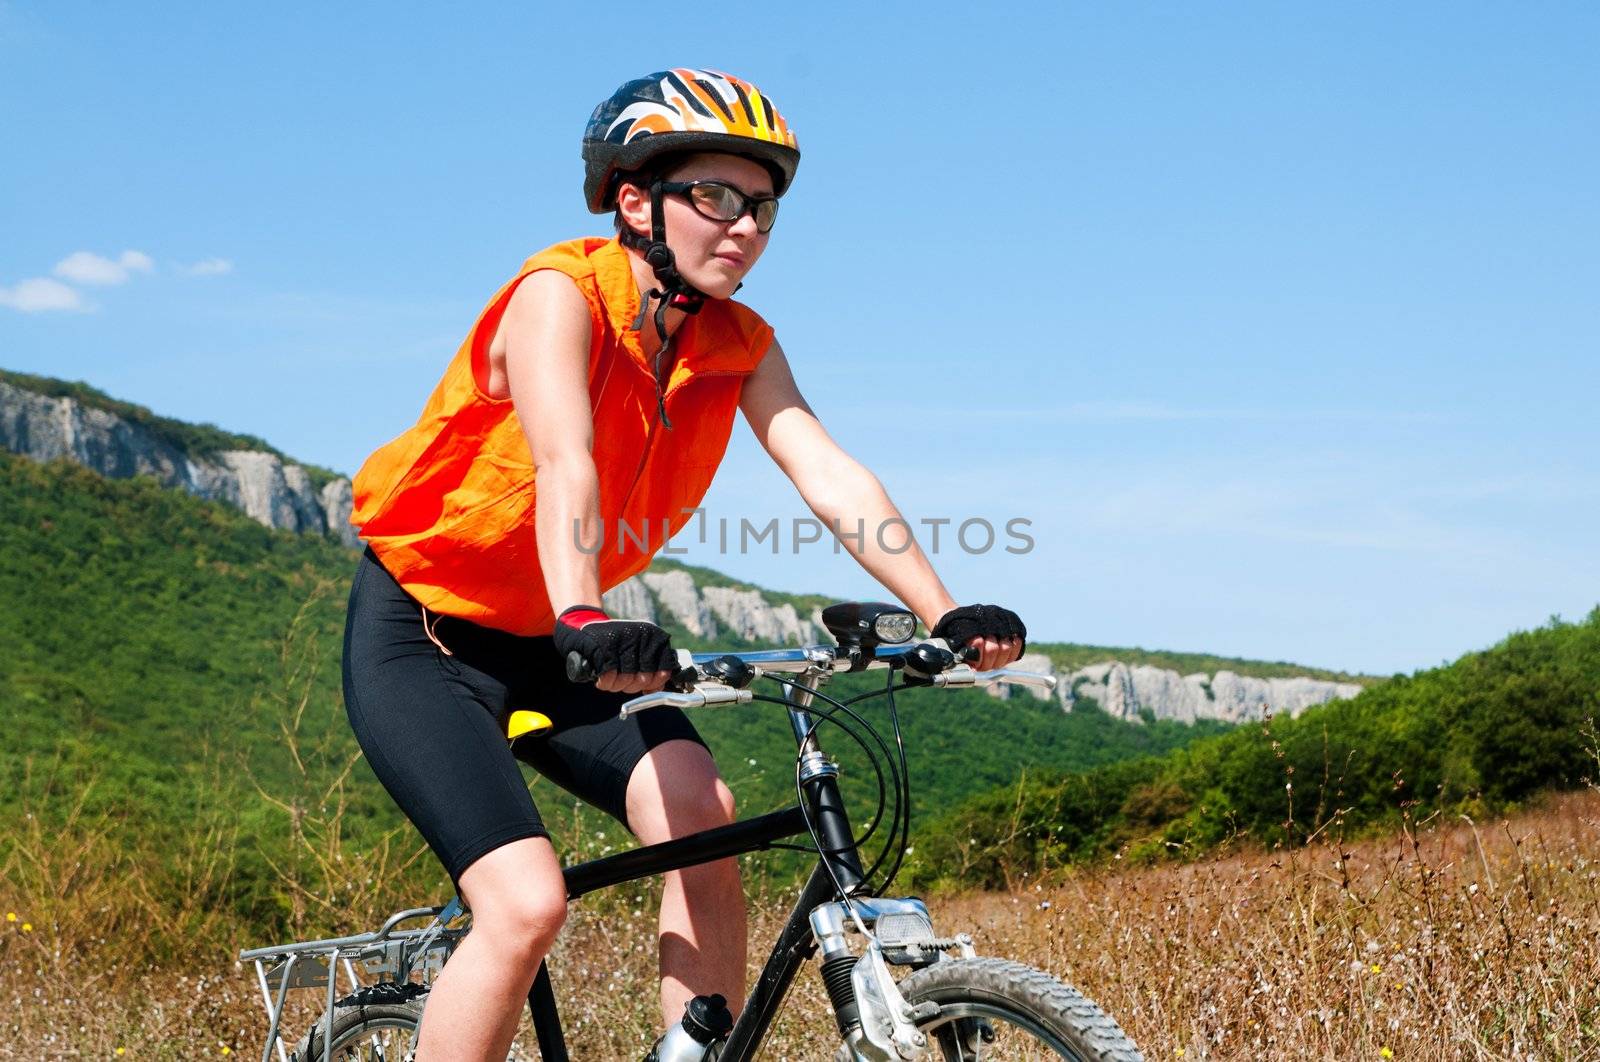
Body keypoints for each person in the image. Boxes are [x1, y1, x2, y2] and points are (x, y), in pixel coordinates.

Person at [341, 67, 1027, 1062]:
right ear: (634, 201)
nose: (742, 226)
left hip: (562, 643)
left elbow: (825, 470)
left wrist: (944, 611)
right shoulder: (559, 295)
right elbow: (562, 455)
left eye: (761, 207)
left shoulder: (739, 343)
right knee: (526, 905)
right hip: (430, 636)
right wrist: (584, 612)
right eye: (714, 197)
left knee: (702, 814)